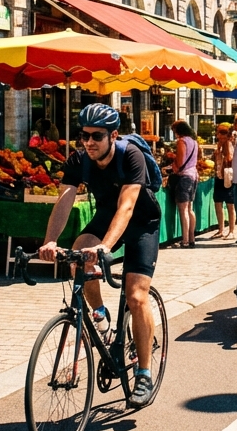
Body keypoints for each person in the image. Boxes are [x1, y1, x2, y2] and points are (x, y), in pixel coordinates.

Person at [41, 104, 162, 408]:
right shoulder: (79, 160)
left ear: (113, 135)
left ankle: (144, 373)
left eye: (96, 136)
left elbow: (128, 206)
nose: (89, 142)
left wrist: (105, 246)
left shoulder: (130, 156)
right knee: (79, 252)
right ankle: (102, 319)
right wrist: (50, 241)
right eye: (84, 135)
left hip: (141, 223)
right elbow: (65, 200)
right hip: (107, 217)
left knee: (135, 296)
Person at [167, 120, 199, 248]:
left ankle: (185, 240)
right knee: (190, 209)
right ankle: (191, 238)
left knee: (183, 209)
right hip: (193, 175)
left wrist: (172, 159)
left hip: (184, 177)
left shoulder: (182, 141)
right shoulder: (194, 142)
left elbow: (180, 162)